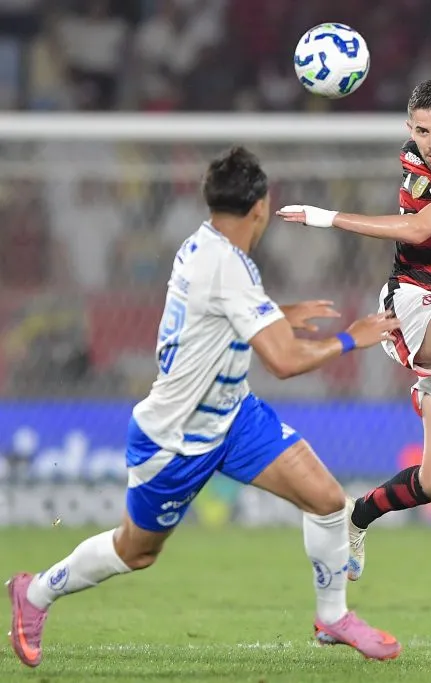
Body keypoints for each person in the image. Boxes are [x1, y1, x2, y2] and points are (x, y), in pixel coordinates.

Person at [7, 147, 402, 668]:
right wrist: (352, 339)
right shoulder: (227, 266)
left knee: (327, 501)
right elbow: (283, 362)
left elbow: (216, 317)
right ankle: (34, 593)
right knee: (137, 551)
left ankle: (332, 617)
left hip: (233, 416)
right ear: (261, 206)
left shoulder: (206, 245)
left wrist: (277, 314)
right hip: (176, 437)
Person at [277, 79, 431, 581]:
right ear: (410, 129)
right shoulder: (413, 161)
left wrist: (326, 217)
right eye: (423, 131)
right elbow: (415, 234)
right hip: (409, 301)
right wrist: (329, 219)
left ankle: (356, 517)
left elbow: (416, 228)